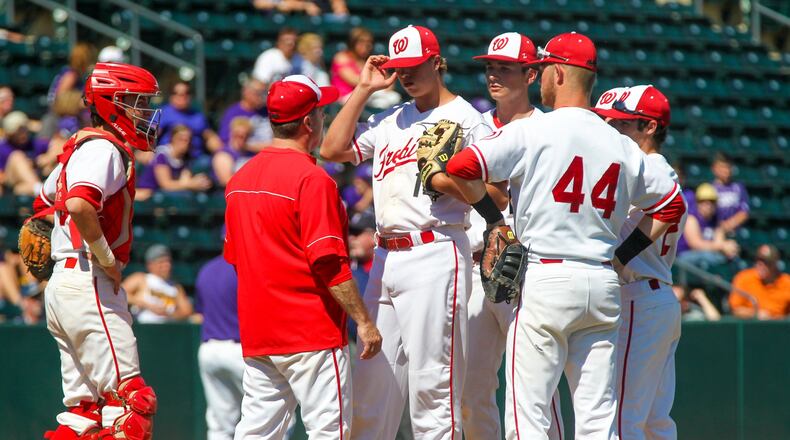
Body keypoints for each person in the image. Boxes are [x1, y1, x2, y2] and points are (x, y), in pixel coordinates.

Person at [445, 32, 685, 439]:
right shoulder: (621, 143)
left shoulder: (532, 130)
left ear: (557, 72)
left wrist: (494, 221)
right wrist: (621, 257)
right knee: (597, 417)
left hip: (545, 277)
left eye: (541, 70)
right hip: (603, 280)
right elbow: (670, 205)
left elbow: (462, 167)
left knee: (530, 414)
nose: (538, 78)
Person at [320, 25, 491, 440]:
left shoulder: (468, 120)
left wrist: (451, 179)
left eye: (414, 67)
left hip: (434, 248)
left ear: (437, 63)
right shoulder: (390, 118)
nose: (406, 75)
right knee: (370, 388)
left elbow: (492, 193)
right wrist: (362, 89)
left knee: (433, 388)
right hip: (385, 256)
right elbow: (332, 149)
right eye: (400, 68)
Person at [224, 74, 381, 439]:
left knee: (256, 432)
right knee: (330, 432)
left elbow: (235, 257)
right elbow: (328, 260)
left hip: (260, 330)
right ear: (309, 122)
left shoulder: (239, 179)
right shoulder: (313, 181)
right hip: (311, 331)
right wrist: (364, 321)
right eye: (322, 111)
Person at [37, 62, 161, 440]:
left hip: (65, 283)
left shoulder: (80, 145)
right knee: (130, 407)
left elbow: (44, 200)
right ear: (112, 104)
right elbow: (77, 204)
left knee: (85, 414)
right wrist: (107, 259)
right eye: (134, 102)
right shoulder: (104, 148)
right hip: (90, 280)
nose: (143, 112)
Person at [462, 32, 563, 440]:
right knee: (471, 392)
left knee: (536, 391)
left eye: (505, 67)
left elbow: (495, 189)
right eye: (490, 66)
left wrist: (465, 177)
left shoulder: (549, 128)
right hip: (475, 266)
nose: (494, 74)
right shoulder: (474, 124)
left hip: (525, 271)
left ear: (532, 73)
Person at [593, 84, 686, 440]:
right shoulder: (652, 170)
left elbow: (667, 210)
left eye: (624, 125)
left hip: (638, 297)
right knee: (653, 422)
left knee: (623, 419)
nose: (615, 131)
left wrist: (617, 259)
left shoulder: (650, 169)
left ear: (649, 127)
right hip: (653, 295)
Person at [195, 239, 245, 440]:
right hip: (238, 349)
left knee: (220, 423)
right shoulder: (242, 268)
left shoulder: (206, 270)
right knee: (272, 415)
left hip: (209, 348)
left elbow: (200, 312)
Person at [136, 124, 211, 200]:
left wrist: (198, 182)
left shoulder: (186, 158)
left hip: (165, 196)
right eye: (181, 139)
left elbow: (184, 181)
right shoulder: (162, 155)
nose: (186, 143)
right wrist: (191, 184)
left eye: (189, 139)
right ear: (172, 139)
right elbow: (166, 184)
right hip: (150, 195)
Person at [330, 27, 400, 108]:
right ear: (353, 43)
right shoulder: (342, 57)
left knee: (393, 97)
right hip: (345, 99)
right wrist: (379, 85)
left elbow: (388, 81)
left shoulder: (368, 60)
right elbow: (354, 80)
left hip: (368, 95)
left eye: (369, 42)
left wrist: (384, 85)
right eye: (361, 42)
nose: (366, 45)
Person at [122, 244, 194, 323]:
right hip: (143, 327)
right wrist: (147, 305)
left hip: (167, 328)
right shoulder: (141, 278)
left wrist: (169, 314)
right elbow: (120, 293)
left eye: (168, 261)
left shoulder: (175, 287)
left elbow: (187, 311)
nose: (167, 265)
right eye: (161, 262)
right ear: (150, 264)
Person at [676, 183, 739, 269]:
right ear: (698, 203)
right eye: (704, 202)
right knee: (710, 257)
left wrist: (728, 248)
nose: (708, 206)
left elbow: (719, 240)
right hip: (685, 255)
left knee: (730, 258)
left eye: (711, 202)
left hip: (707, 254)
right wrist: (722, 246)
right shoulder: (691, 218)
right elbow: (695, 244)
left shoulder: (715, 220)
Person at [157, 81, 223, 159]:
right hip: (169, 158)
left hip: (195, 158)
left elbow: (209, 136)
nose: (182, 96)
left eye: (186, 93)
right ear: (171, 96)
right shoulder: (163, 112)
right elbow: (152, 133)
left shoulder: (197, 116)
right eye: (177, 93)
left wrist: (222, 151)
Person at [729, 244, 790, 320]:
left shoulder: (786, 282)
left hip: (779, 327)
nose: (761, 265)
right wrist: (755, 314)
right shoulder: (744, 278)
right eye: (758, 260)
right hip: (751, 326)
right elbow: (735, 309)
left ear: (775, 263)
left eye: (767, 262)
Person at [218, 78, 272, 151]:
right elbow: (228, 142)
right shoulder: (233, 113)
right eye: (258, 93)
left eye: (264, 93)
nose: (262, 97)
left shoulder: (267, 111)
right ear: (246, 92)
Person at [0, 111, 44, 195]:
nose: (21, 134)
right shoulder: (2, 148)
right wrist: (23, 167)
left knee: (29, 187)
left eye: (23, 130)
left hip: (23, 187)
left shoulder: (33, 143)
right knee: (17, 156)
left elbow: (58, 145)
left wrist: (40, 161)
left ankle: (41, 190)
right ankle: (42, 190)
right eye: (17, 132)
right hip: (10, 186)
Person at [710, 153, 749, 234]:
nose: (726, 171)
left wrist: (727, 226)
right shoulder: (709, 189)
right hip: (714, 233)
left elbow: (744, 212)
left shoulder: (738, 187)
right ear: (714, 168)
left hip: (735, 232)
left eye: (728, 167)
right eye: (722, 167)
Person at [213, 117, 256, 187]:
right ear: (231, 133)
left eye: (246, 135)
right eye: (237, 134)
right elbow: (226, 181)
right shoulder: (223, 154)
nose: (242, 137)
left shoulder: (251, 154)